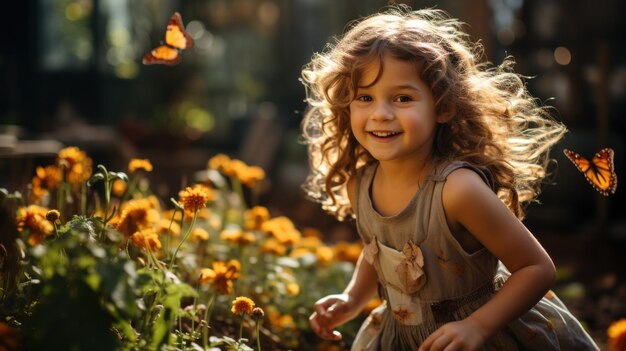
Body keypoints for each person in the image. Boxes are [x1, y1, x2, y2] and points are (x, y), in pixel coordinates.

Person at [300, 5, 599, 351]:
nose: (380, 113)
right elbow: (377, 252)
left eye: (402, 98)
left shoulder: (457, 190)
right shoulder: (361, 184)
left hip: (485, 337)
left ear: (443, 106)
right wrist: (351, 299)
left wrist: (477, 326)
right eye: (365, 97)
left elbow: (536, 268)